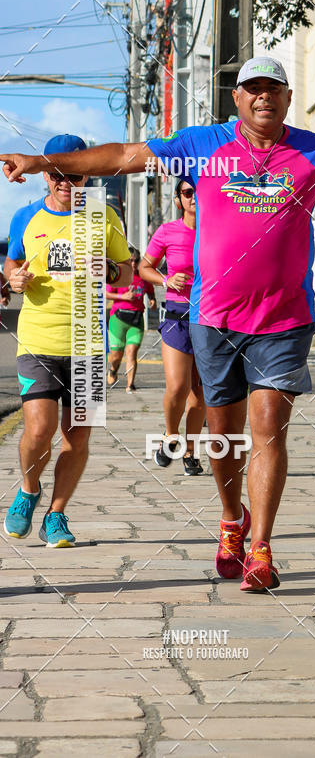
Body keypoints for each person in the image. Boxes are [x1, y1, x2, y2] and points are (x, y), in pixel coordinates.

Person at [1, 56, 315, 588]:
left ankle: (262, 548)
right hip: (214, 319)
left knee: (268, 432)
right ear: (238, 99)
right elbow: (124, 156)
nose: (264, 96)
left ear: (288, 99)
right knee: (224, 439)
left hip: (284, 320)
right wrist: (41, 162)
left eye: (274, 88)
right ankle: (230, 518)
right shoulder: (202, 145)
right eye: (253, 89)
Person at [2, 134, 131, 547]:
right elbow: (13, 263)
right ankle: (28, 490)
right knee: (38, 429)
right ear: (45, 175)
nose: (65, 182)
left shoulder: (103, 217)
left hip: (88, 344)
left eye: (74, 174)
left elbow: (126, 275)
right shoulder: (25, 216)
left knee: (79, 436)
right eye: (57, 174)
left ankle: (56, 515)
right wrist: (14, 278)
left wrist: (108, 270)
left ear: (87, 175)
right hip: (38, 340)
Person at [139, 179, 205, 476]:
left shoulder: (217, 230)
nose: (194, 198)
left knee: (200, 394)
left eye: (199, 192)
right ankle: (169, 435)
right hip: (177, 316)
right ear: (179, 199)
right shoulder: (168, 231)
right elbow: (144, 267)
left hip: (211, 319)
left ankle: (191, 452)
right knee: (178, 387)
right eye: (188, 193)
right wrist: (166, 280)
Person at [106, 247, 156, 393]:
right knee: (116, 355)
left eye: (136, 261)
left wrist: (153, 301)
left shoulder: (144, 277)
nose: (133, 264)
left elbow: (151, 293)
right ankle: (113, 370)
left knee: (132, 351)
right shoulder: (118, 276)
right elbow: (106, 294)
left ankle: (130, 385)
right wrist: (123, 297)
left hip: (136, 319)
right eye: (131, 261)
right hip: (119, 318)